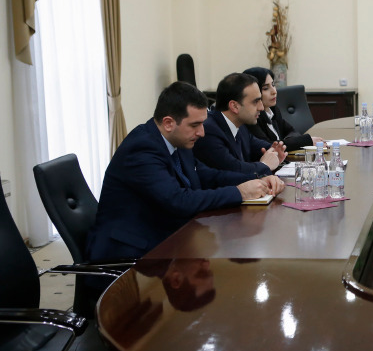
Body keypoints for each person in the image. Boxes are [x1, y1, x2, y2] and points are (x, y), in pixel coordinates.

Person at [86, 82, 284, 262]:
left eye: (202, 124)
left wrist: (258, 179)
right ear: (169, 123)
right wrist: (240, 193)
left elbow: (208, 175)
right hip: (131, 252)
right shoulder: (141, 149)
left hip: (166, 236)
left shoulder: (177, 139)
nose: (202, 133)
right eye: (195, 125)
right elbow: (178, 201)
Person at [193, 73, 287, 175]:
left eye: (260, 100)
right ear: (234, 106)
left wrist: (276, 152)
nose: (261, 107)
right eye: (255, 101)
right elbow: (234, 170)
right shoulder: (209, 131)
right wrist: (265, 165)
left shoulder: (240, 125)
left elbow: (264, 147)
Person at [243, 67, 323, 150]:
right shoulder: (252, 117)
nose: (274, 91)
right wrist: (304, 141)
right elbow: (268, 146)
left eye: (273, 85)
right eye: (266, 88)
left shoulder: (273, 110)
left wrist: (288, 142)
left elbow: (292, 131)